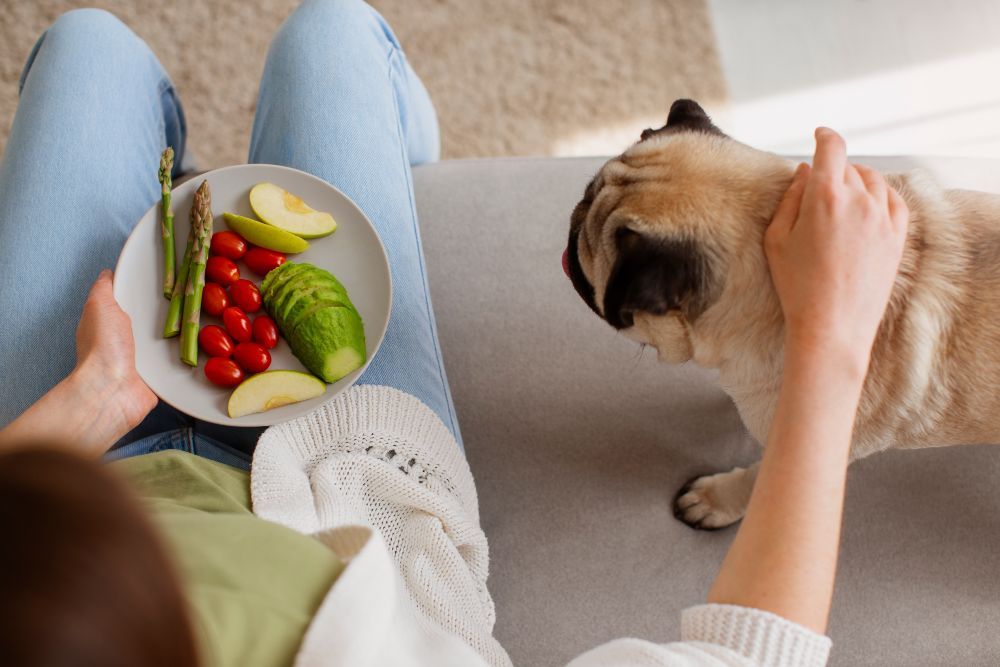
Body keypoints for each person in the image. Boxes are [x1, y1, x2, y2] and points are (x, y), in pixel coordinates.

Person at [0, 1, 908, 665]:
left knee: (87, 46)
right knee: (334, 32)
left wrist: (93, 402)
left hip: (64, 465)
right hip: (357, 480)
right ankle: (405, 165)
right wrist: (833, 333)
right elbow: (749, 656)